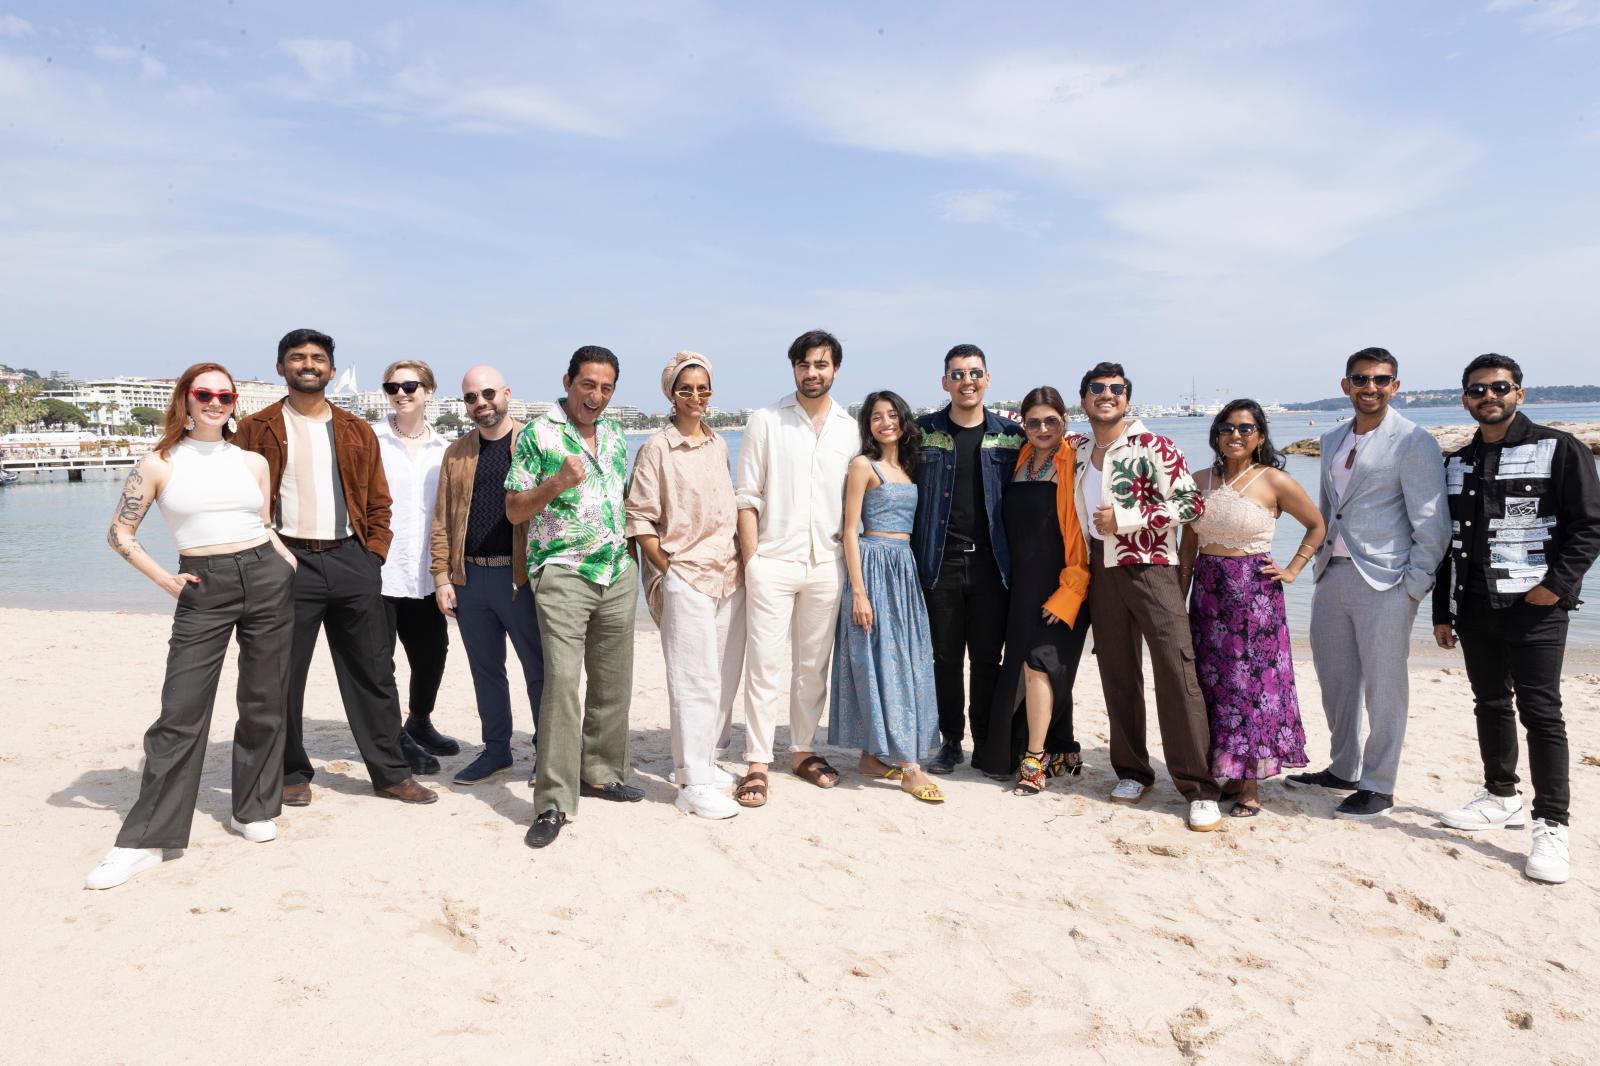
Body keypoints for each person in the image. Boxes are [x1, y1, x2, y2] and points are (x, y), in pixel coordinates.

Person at [86, 364, 299, 889]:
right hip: (202, 583)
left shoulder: (252, 462)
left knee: (265, 699)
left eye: (225, 395)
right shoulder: (157, 463)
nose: (215, 402)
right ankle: (145, 841)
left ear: (234, 403)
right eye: (204, 393)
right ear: (185, 399)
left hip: (266, 576)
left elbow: (263, 523)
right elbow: (119, 533)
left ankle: (252, 809)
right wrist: (165, 580)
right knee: (180, 711)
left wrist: (284, 558)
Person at [233, 328, 436, 807]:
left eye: (317, 358)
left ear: (330, 368)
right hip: (286, 560)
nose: (308, 364)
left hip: (350, 559)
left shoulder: (354, 429)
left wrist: (372, 556)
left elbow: (379, 501)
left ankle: (390, 773)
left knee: (372, 673)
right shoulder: (256, 429)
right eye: (297, 357)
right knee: (283, 677)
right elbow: (239, 500)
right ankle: (291, 772)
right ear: (281, 367)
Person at [1432, 354, 1600, 884]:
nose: (1489, 396)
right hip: (1474, 605)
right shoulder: (1456, 462)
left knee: (1542, 713)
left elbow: (1589, 526)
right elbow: (1446, 544)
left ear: (1519, 394)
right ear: (1465, 399)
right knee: (1489, 702)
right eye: (1477, 390)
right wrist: (1442, 611)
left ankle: (1551, 823)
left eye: (1499, 387)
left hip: (1536, 609)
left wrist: (1555, 587)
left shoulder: (1559, 448)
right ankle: (1500, 795)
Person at [1288, 348, 1449, 821]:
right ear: (1346, 386)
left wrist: (1414, 585)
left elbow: (1432, 524)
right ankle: (1343, 768)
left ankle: (1379, 785)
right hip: (1332, 574)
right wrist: (1313, 562)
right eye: (1361, 379)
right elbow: (1326, 509)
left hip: (1387, 580)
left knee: (1384, 688)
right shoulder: (1333, 438)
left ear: (1395, 386)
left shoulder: (1414, 441)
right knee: (1336, 681)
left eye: (1381, 379)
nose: (1370, 387)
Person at [1070, 362, 1222, 831]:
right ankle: (1133, 771)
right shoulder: (1078, 450)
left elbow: (1191, 503)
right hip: (1101, 569)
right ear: (1084, 399)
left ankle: (1198, 787)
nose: (1107, 394)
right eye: (1097, 388)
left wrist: (1126, 517)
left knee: (1177, 671)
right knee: (1118, 673)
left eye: (1116, 388)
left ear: (1127, 399)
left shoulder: (1155, 446)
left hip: (1152, 566)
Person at [506, 346, 639, 848]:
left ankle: (600, 773)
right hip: (562, 572)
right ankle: (553, 801)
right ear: (567, 382)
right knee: (562, 683)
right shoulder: (538, 434)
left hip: (616, 571)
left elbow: (618, 500)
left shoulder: (617, 435)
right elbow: (514, 509)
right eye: (588, 385)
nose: (596, 396)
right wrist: (557, 482)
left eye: (606, 388)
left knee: (613, 680)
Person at [1179, 401, 1325, 818]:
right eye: (1226, 427)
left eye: (1245, 428)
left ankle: (1249, 786)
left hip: (1254, 599)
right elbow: (1188, 548)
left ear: (1260, 436)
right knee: (1212, 685)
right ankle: (1224, 771)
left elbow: (1317, 525)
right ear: (1216, 435)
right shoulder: (1198, 480)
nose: (1235, 435)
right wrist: (1179, 598)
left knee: (1250, 689)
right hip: (1207, 595)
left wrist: (1294, 569)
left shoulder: (1274, 480)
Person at [733, 329, 858, 808]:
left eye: (821, 364)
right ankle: (757, 760)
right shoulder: (765, 421)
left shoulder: (850, 428)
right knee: (764, 664)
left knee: (813, 666)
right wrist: (752, 562)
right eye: (804, 364)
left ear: (835, 369)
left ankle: (803, 750)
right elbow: (747, 496)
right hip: (773, 560)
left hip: (827, 562)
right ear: (793, 368)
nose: (812, 373)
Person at [625, 352, 745, 820]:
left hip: (728, 574)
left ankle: (706, 761)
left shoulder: (717, 443)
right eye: (686, 389)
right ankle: (692, 785)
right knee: (693, 681)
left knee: (722, 678)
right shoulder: (656, 448)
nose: (696, 397)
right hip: (686, 576)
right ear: (671, 395)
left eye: (703, 388)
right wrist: (668, 568)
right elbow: (639, 517)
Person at [912, 344, 1025, 774]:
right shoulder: (922, 433)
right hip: (939, 563)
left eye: (975, 373)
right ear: (945, 382)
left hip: (992, 566)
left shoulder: (1011, 435)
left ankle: (984, 741)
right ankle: (950, 741)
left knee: (986, 659)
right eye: (957, 374)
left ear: (987, 379)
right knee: (944, 659)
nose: (967, 381)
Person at [972, 386, 1090, 796]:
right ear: (1023, 424)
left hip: (1064, 584)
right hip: (1020, 586)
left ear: (1065, 421)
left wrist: (1070, 591)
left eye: (1051, 421)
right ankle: (1061, 750)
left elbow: (1083, 538)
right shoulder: (1018, 459)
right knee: (1024, 666)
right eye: (1034, 422)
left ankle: (1034, 758)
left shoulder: (1075, 462)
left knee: (1041, 664)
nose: (1042, 429)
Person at [430, 365, 545, 786]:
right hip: (471, 580)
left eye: (488, 394)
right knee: (486, 671)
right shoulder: (457, 452)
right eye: (471, 397)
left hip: (521, 578)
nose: (481, 403)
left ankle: (548, 752)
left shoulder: (534, 443)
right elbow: (442, 519)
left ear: (506, 394)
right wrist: (441, 577)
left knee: (539, 670)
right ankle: (496, 750)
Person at [829, 391, 943, 803]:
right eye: (876, 417)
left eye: (892, 415)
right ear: (868, 425)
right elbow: (849, 531)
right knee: (882, 662)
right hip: (874, 564)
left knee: (904, 661)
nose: (885, 422)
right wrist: (859, 593)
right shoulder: (863, 465)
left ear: (902, 419)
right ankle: (909, 767)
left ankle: (871, 757)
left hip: (903, 568)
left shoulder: (909, 467)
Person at [375, 359, 460, 764]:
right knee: (379, 662)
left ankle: (419, 721)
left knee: (432, 654)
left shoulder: (445, 450)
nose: (401, 394)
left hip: (427, 573)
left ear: (428, 391)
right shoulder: (371, 440)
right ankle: (392, 737)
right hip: (379, 570)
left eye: (410, 386)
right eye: (392, 387)